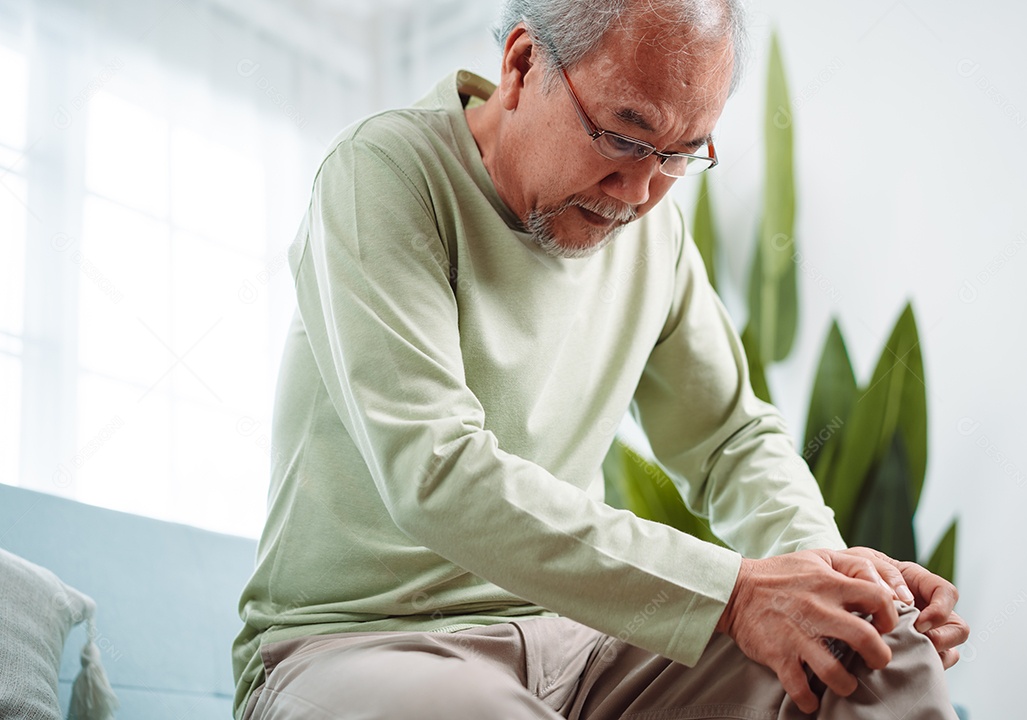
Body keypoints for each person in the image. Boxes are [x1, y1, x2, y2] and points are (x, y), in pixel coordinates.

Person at [232, 0, 969, 718]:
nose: (642, 192)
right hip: (366, 646)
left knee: (871, 659)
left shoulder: (655, 236)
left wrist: (834, 578)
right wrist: (734, 591)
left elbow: (730, 442)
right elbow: (436, 473)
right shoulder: (383, 173)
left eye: (681, 155)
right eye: (623, 135)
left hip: (577, 649)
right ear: (522, 64)